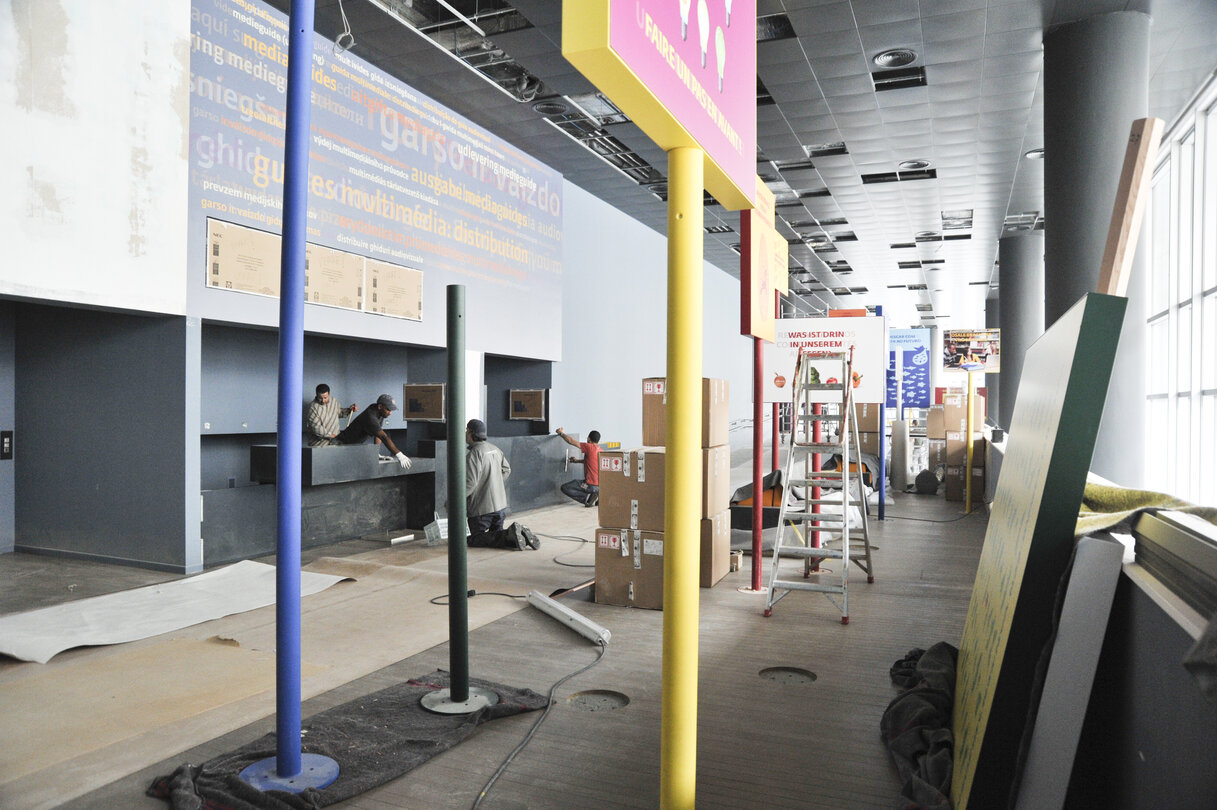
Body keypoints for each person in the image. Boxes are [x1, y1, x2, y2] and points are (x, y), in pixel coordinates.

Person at [465, 418, 538, 550]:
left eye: (466, 431)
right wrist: (494, 482)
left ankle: (510, 534)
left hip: (482, 509)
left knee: (475, 539)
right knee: (496, 540)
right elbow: (507, 470)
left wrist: (454, 501)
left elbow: (470, 483)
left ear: (471, 433)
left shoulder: (474, 454)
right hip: (500, 507)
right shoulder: (495, 449)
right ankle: (517, 535)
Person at [337, 394, 412, 469]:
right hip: (340, 445)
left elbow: (378, 434)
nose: (390, 413)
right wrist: (399, 454)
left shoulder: (379, 411)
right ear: (380, 406)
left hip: (351, 447)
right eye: (388, 409)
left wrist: (376, 454)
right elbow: (383, 437)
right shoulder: (370, 417)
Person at [555, 427, 601, 507]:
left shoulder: (589, 447)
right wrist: (577, 461)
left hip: (588, 486)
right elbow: (591, 462)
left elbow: (571, 441)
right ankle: (596, 495)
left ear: (589, 438)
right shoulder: (600, 451)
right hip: (598, 486)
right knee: (582, 484)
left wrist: (561, 433)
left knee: (565, 487)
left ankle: (586, 498)